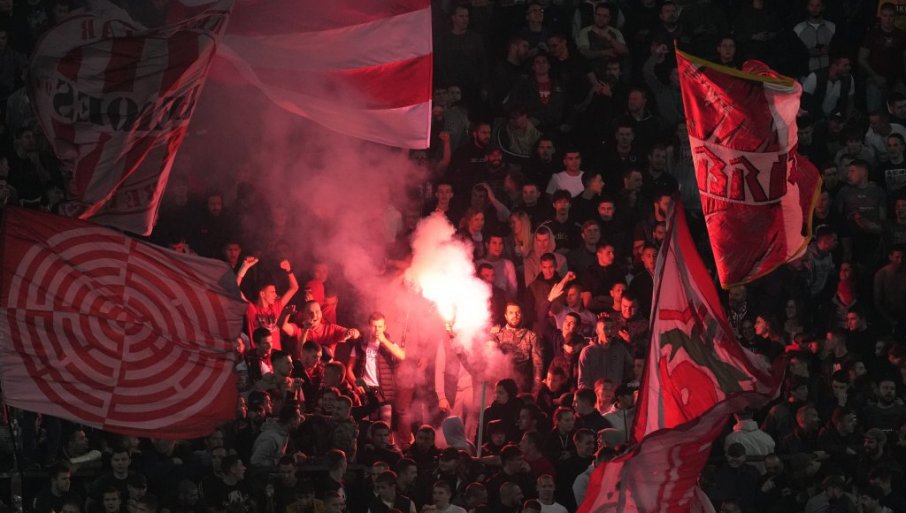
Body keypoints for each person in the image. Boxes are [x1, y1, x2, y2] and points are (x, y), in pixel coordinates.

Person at [238, 256, 300, 351]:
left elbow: (294, 288)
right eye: (272, 292)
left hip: (276, 357)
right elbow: (234, 289)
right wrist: (244, 268)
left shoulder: (276, 306)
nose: (276, 295)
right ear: (262, 294)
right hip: (259, 357)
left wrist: (289, 270)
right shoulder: (252, 310)